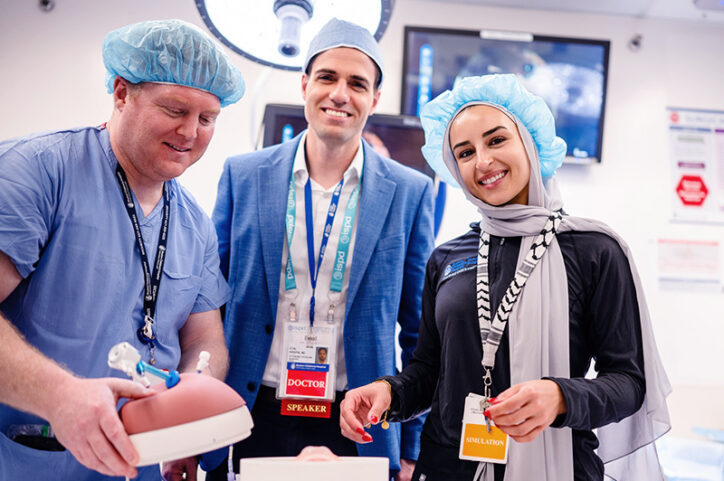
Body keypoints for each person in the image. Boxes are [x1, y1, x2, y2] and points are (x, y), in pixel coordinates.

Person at [339, 74, 671, 481]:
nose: (482, 162)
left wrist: (560, 396)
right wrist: (389, 393)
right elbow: (428, 370)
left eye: (496, 140)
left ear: (529, 142)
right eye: (464, 152)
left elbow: (630, 383)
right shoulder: (447, 258)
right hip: (447, 467)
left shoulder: (594, 250)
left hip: (559, 465)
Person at [0, 19, 245, 481]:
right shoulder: (38, 174)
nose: (190, 132)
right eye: (174, 109)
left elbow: (204, 340)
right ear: (120, 93)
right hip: (34, 457)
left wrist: (192, 405)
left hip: (143, 465)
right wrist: (59, 394)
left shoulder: (194, 223)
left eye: (207, 118)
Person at [208, 18, 435, 481]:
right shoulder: (243, 176)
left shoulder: (411, 193)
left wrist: (413, 444)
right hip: (249, 408)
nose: (340, 94)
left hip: (359, 417)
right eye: (328, 77)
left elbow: (419, 331)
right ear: (306, 84)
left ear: (374, 99)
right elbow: (206, 306)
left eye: (357, 83)